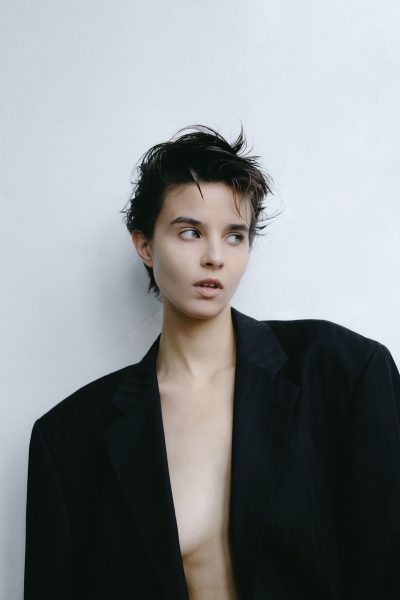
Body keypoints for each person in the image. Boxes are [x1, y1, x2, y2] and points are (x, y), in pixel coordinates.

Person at [24, 125, 400, 600]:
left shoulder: (343, 372)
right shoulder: (69, 438)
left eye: (235, 236)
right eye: (190, 232)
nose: (215, 257)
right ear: (144, 245)